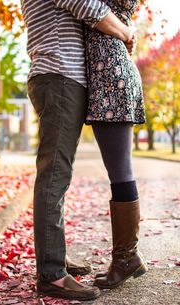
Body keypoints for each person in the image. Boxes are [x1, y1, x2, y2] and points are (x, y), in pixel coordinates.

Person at [21, 0, 137, 301]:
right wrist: (126, 33)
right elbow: (89, 7)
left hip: (58, 76)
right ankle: (52, 275)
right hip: (60, 76)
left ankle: (55, 257)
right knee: (54, 175)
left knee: (59, 173)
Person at [85, 0, 148, 289]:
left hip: (109, 76)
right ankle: (127, 256)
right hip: (114, 69)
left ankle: (127, 258)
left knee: (120, 171)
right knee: (121, 169)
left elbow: (93, 12)